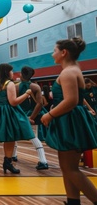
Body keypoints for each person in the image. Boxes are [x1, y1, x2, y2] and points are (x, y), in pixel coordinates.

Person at [40, 37, 97, 205]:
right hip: (68, 120)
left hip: (69, 122)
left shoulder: (68, 72)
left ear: (63, 52)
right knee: (67, 168)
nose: (52, 55)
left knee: (71, 169)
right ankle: (73, 201)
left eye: (54, 51)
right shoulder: (73, 69)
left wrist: (49, 115)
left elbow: (71, 100)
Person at [0, 63, 35, 174]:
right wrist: (26, 94)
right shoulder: (9, 84)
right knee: (10, 138)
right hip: (9, 112)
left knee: (8, 139)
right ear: (6, 72)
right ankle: (8, 162)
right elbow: (13, 102)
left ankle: (8, 162)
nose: (13, 73)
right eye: (11, 71)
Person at [12, 66, 50, 170]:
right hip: (34, 113)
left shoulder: (16, 87)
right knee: (34, 136)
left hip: (21, 114)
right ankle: (42, 160)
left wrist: (27, 117)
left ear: (20, 74)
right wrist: (32, 117)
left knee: (16, 135)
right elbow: (40, 103)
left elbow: (14, 103)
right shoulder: (36, 86)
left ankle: (43, 161)